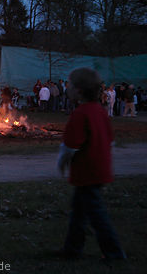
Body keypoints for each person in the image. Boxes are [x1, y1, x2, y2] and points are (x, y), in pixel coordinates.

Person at [56, 67, 126, 262]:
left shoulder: (81, 113)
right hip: (98, 170)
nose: (67, 89)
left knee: (96, 215)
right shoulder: (100, 112)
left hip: (88, 173)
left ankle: (114, 253)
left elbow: (70, 146)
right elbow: (110, 141)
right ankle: (72, 249)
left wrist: (61, 163)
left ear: (78, 90)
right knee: (79, 212)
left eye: (69, 85)